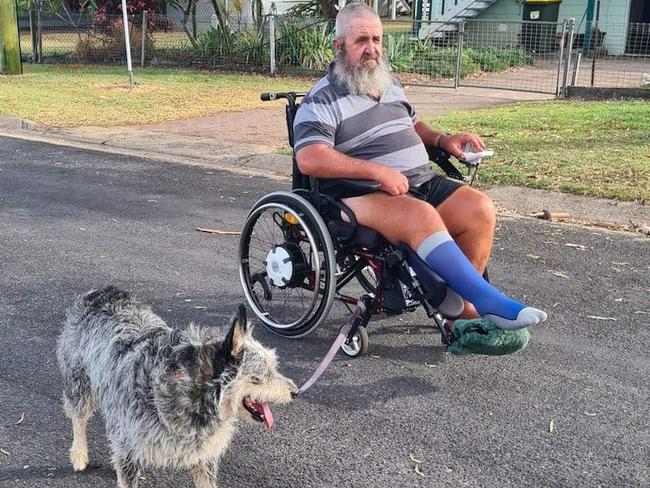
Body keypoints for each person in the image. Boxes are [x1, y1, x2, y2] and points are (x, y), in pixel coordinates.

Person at [292, 3, 546, 330]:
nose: (372, 49)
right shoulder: (321, 100)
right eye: (361, 41)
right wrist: (377, 172)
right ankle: (485, 302)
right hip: (360, 194)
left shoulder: (389, 83)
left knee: (479, 207)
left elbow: (413, 125)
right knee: (421, 215)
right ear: (338, 46)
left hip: (419, 181)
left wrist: (443, 140)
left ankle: (460, 316)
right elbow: (310, 157)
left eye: (377, 40)